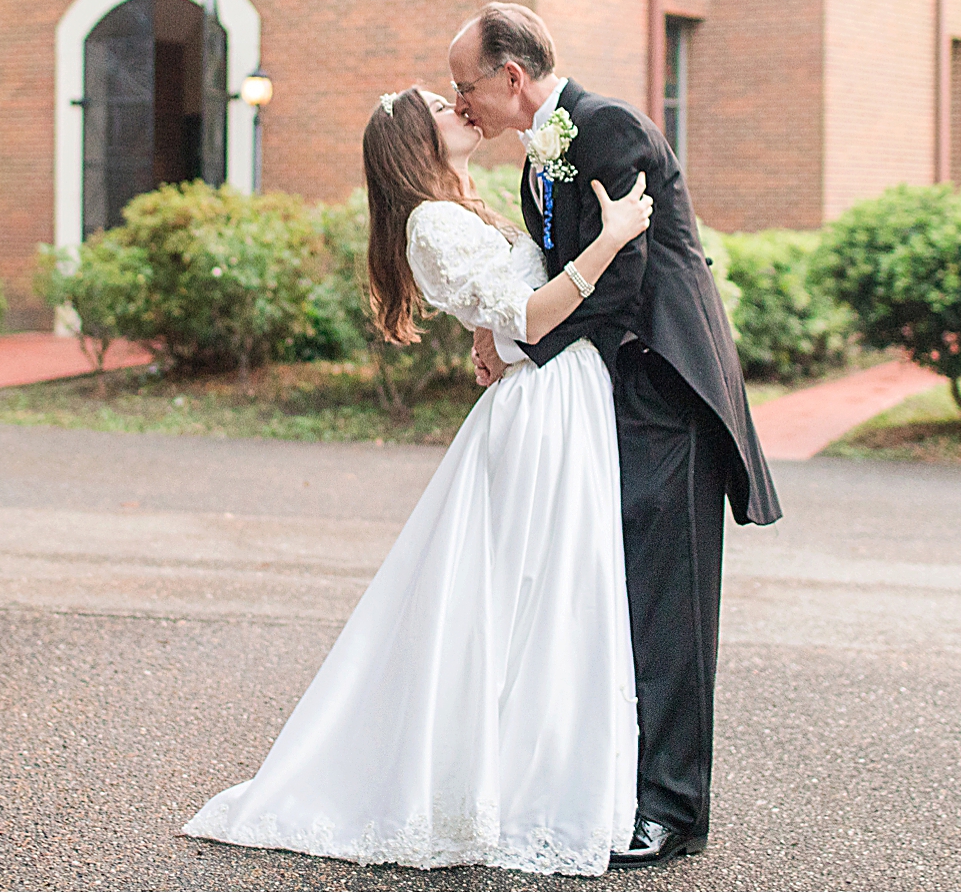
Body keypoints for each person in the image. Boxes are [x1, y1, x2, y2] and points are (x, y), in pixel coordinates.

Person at [183, 85, 657, 876]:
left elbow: (503, 313)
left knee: (546, 592)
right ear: (415, 141)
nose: (460, 107)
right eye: (442, 105)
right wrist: (609, 240)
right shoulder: (430, 223)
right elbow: (532, 318)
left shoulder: (465, 208)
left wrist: (492, 333)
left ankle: (529, 776)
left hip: (560, 399)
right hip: (538, 411)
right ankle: (502, 788)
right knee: (527, 592)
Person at [449, 2, 782, 871]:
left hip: (663, 390)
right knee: (614, 595)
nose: (462, 101)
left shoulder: (610, 130)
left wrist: (521, 341)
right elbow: (549, 270)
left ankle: (673, 810)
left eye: (467, 84)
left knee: (668, 603)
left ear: (512, 78)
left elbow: (620, 278)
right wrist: (494, 329)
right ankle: (615, 786)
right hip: (607, 396)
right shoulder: (536, 162)